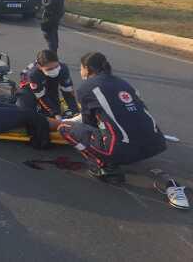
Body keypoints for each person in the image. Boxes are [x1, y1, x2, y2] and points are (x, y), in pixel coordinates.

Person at [49, 53, 188, 208]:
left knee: (65, 128)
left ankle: (105, 168)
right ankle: (122, 154)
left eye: (81, 68)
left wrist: (66, 121)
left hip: (121, 151)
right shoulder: (124, 83)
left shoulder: (86, 88)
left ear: (87, 69)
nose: (81, 72)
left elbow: (90, 125)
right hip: (155, 144)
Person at [17, 49, 79, 120]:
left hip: (48, 81)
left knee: (54, 112)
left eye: (56, 67)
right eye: (50, 69)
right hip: (28, 85)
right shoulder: (33, 74)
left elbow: (68, 92)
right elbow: (41, 97)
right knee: (26, 113)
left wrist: (75, 112)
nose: (54, 71)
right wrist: (55, 113)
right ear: (39, 66)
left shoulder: (63, 68)